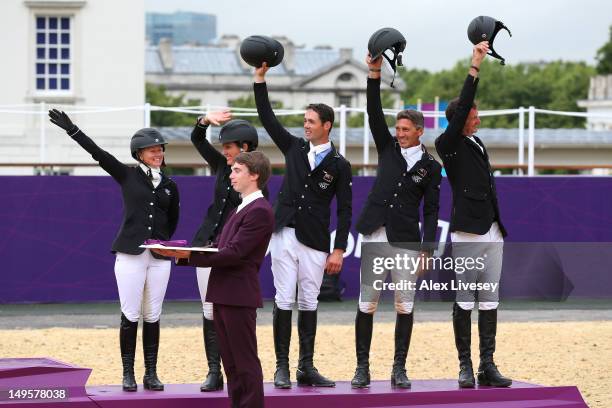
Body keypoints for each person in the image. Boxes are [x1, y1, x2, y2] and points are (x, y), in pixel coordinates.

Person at [48, 109, 180, 392]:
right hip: (130, 255)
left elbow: (173, 221)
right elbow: (99, 154)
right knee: (130, 314)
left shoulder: (171, 185)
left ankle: (151, 373)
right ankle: (128, 373)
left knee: (153, 314)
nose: (157, 153)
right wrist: (73, 131)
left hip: (159, 258)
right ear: (139, 154)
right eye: (151, 150)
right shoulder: (127, 175)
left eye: (160, 149)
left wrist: (162, 243)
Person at [253, 63, 352, 388]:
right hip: (284, 234)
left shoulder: (340, 165)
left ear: (327, 125)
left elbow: (346, 209)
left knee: (309, 300)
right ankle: (281, 366)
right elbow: (268, 118)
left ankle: (305, 366)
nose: (305, 125)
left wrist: (338, 248)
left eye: (311, 121)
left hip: (315, 240)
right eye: (304, 121)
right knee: (284, 298)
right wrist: (260, 80)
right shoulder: (294, 147)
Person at [154, 151, 274, 408]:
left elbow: (235, 253)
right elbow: (219, 247)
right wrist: (182, 254)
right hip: (223, 293)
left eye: (237, 170)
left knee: (245, 362)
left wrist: (187, 255)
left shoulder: (260, 211)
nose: (231, 175)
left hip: (238, 296)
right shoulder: (240, 208)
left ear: (255, 175)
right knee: (231, 364)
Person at [351, 54, 442, 389]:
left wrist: (427, 249)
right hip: (375, 232)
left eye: (406, 130)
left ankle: (399, 368)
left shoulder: (431, 168)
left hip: (406, 239)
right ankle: (362, 367)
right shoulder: (387, 148)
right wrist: (374, 73)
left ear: (419, 131)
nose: (400, 133)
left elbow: (431, 209)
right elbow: (374, 110)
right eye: (398, 129)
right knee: (367, 302)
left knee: (404, 304)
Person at [434, 41, 512, 388]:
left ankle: (487, 365)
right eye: (473, 114)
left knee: (490, 299)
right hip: (467, 233)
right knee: (465, 300)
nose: (478, 117)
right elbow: (464, 102)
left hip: (492, 231)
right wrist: (474, 66)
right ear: (460, 118)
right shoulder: (447, 144)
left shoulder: (477, 142)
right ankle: (465, 366)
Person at [189, 111, 259, 392]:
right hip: (205, 244)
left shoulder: (256, 176)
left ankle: (233, 371)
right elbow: (196, 139)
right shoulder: (221, 165)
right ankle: (213, 371)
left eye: (228, 147)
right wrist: (204, 121)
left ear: (243, 147)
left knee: (225, 311)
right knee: (208, 311)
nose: (224, 152)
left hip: (230, 250)